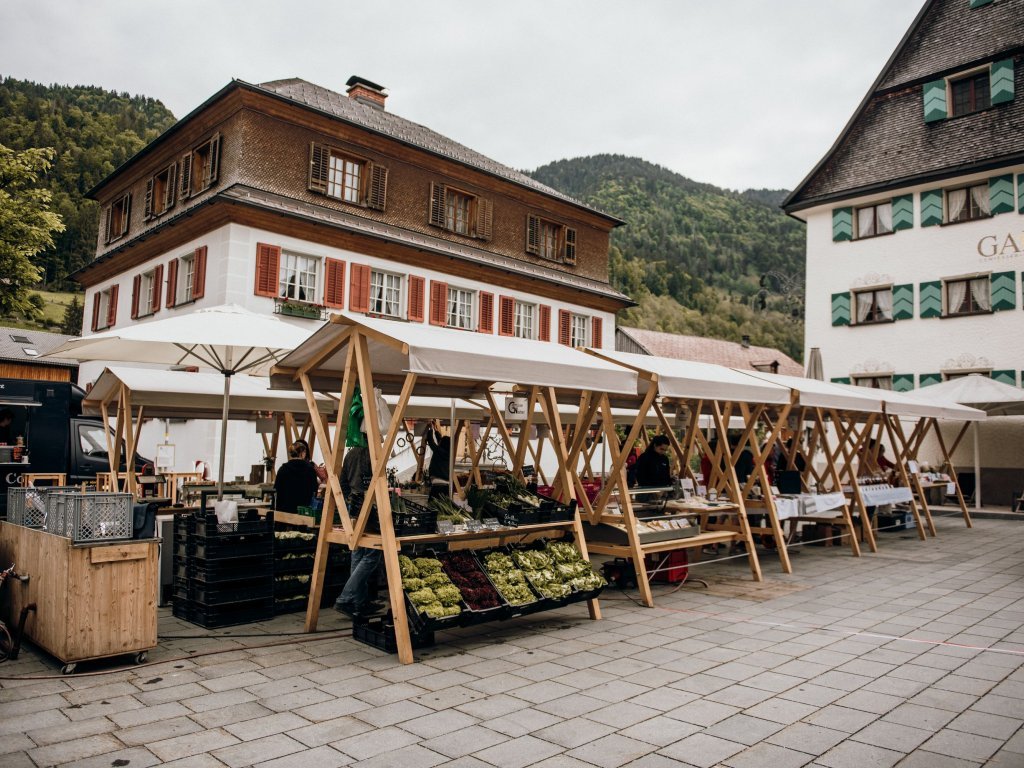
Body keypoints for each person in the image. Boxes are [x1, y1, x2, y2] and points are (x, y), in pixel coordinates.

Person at [334, 443, 385, 619]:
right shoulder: (372, 453)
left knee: (357, 553)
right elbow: (376, 482)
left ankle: (359, 602)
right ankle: (346, 598)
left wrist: (351, 498)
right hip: (369, 507)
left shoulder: (350, 454)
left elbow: (342, 482)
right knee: (372, 555)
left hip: (353, 506)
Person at [273, 441, 320, 514]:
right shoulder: (310, 470)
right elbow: (314, 489)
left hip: (286, 510)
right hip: (304, 511)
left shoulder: (283, 469)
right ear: (303, 453)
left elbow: (277, 490)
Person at [425, 423, 451, 501]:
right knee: (444, 506)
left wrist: (430, 430)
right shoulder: (449, 453)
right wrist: (436, 432)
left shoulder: (438, 451)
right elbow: (440, 441)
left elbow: (431, 442)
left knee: (433, 505)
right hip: (447, 485)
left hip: (437, 484)